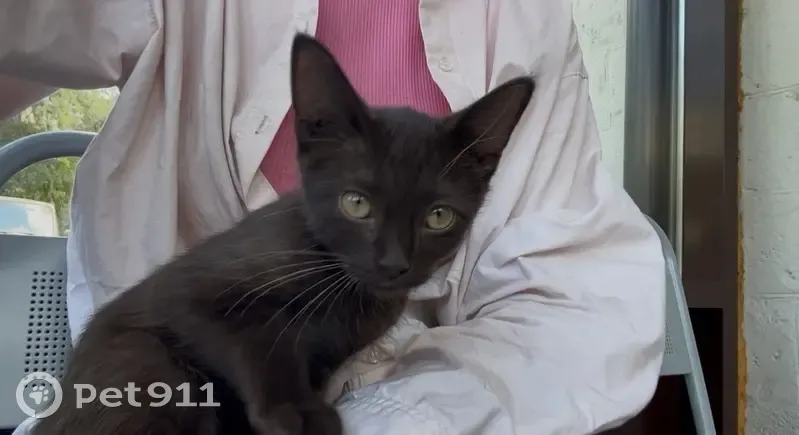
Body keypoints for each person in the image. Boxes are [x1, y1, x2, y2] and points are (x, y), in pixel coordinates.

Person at [0, 1, 666, 433]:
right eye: (360, 205)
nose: (397, 258)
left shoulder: (524, 16)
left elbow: (569, 299)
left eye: (435, 217)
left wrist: (388, 417)